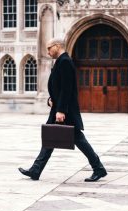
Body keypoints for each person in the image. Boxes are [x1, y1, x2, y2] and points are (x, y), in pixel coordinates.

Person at [18, 38, 107, 182]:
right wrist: (51, 99)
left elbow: (67, 89)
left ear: (57, 46)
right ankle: (36, 169)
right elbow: (58, 88)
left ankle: (99, 168)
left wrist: (61, 110)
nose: (47, 52)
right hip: (59, 108)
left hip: (64, 111)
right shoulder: (61, 61)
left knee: (77, 139)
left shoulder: (65, 61)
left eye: (49, 48)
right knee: (50, 138)